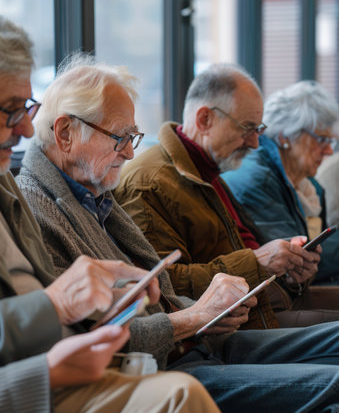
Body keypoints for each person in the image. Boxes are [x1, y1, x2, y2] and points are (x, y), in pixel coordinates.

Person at [15, 53, 339, 412]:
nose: (127, 153)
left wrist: (209, 312)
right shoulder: (36, 210)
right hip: (164, 366)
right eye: (120, 137)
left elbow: (163, 295)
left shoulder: (96, 194)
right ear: (64, 133)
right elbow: (92, 341)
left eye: (133, 137)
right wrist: (197, 315)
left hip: (199, 345)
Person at [0, 15, 221, 413]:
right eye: (11, 111)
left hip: (114, 358)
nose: (27, 131)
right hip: (52, 376)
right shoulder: (37, 197)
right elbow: (55, 311)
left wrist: (107, 303)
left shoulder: (19, 187)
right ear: (65, 133)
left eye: (25, 108)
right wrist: (60, 307)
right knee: (182, 394)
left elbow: (82, 312)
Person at [115, 63, 339, 327]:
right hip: (222, 338)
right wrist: (257, 262)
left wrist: (289, 275)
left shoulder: (209, 169)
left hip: (259, 317)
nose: (255, 142)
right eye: (246, 128)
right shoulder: (150, 182)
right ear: (204, 120)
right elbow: (160, 286)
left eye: (258, 129)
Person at [224, 80, 339, 285]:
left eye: (331, 141)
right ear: (284, 137)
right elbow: (296, 262)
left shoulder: (309, 186)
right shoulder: (258, 179)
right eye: (321, 139)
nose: (329, 151)